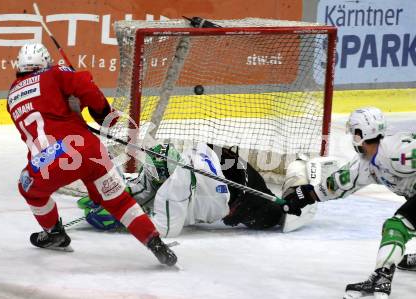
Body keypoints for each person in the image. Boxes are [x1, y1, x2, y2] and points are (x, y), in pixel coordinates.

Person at [7, 43, 177, 266]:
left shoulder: (11, 96)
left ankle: (54, 233)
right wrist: (104, 114)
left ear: (19, 66)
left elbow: (46, 116)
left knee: (27, 187)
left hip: (50, 160)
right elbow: (85, 86)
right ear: (45, 63)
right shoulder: (55, 72)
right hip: (88, 150)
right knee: (118, 201)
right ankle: (155, 242)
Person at [281, 107, 416, 298]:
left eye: (354, 133)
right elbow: (337, 184)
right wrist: (304, 196)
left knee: (397, 227)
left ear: (361, 134)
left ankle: (381, 279)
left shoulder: (398, 152)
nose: (353, 137)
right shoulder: (366, 164)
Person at [78, 144, 285, 237]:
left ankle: (296, 198)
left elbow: (164, 229)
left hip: (243, 198)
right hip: (226, 164)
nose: (149, 178)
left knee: (278, 216)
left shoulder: (174, 190)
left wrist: (123, 220)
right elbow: (146, 186)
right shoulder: (171, 159)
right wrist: (113, 196)